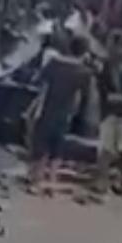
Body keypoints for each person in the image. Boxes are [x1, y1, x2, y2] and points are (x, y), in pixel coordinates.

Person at [27, 35, 92, 196]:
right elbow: (83, 97)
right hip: (66, 113)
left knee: (41, 144)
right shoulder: (84, 73)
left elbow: (39, 82)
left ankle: (36, 179)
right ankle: (51, 180)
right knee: (57, 146)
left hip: (46, 108)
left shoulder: (54, 64)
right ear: (84, 52)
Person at [88, 33, 122, 200]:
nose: (121, 50)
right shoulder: (107, 67)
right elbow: (100, 86)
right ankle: (102, 181)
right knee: (106, 148)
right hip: (110, 112)